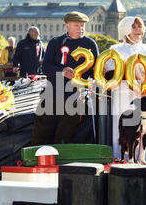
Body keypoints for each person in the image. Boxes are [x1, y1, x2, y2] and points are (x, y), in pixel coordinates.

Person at [31, 12, 99, 145]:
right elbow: (46, 67)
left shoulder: (90, 43)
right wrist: (62, 71)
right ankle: (39, 158)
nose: (80, 28)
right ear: (67, 25)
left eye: (82, 25)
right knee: (43, 130)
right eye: (76, 25)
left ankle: (62, 160)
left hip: (76, 96)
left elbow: (95, 71)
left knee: (66, 132)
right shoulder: (56, 42)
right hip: (53, 93)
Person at [105, 16, 146, 162]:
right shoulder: (114, 50)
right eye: (134, 27)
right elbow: (109, 74)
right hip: (123, 98)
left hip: (144, 99)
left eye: (140, 27)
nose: (139, 30)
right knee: (124, 131)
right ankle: (122, 159)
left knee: (143, 131)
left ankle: (142, 160)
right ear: (125, 30)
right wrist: (129, 72)